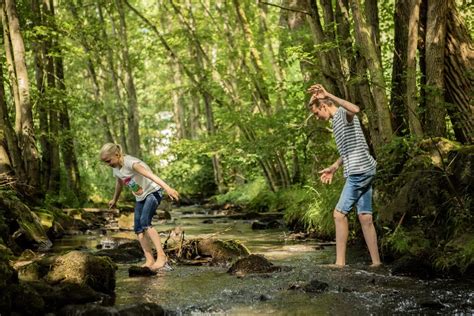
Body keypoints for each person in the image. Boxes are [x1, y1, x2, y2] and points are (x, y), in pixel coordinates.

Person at [307, 84, 381, 268]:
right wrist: (334, 167)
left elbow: (355, 109)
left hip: (359, 170)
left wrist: (328, 94)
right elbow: (349, 148)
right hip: (366, 169)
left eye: (316, 113)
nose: (317, 118)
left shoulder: (342, 114)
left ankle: (340, 263)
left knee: (339, 215)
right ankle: (376, 263)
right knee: (365, 217)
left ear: (324, 106)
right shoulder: (335, 122)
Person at [99, 143, 180, 271]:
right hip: (141, 197)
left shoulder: (131, 163)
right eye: (105, 162)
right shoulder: (115, 168)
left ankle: (162, 257)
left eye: (108, 161)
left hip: (153, 192)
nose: (108, 164)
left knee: (145, 222)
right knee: (138, 228)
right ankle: (149, 260)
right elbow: (119, 183)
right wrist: (115, 199)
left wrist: (167, 188)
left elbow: (151, 176)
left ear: (117, 154)